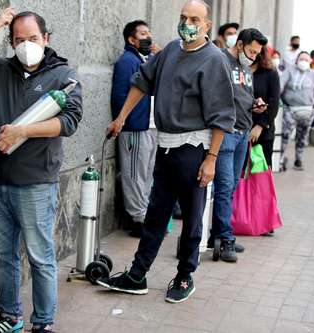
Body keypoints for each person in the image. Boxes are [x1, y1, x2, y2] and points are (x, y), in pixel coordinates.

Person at [97, 0, 235, 303]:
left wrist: (211, 159)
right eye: (184, 17)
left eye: (195, 19)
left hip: (194, 149)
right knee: (156, 213)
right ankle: (137, 274)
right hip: (166, 146)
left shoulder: (215, 60)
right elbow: (141, 82)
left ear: (207, 25)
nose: (188, 23)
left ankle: (185, 275)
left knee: (192, 218)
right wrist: (120, 118)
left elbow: (223, 115)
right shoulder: (171, 50)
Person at [0, 9, 83, 333]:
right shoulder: (1, 69)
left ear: (46, 39)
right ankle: (9, 317)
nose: (26, 45)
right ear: (11, 43)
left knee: (40, 259)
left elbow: (70, 121)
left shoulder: (63, 76)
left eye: (32, 38)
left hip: (35, 184)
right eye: (18, 40)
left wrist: (24, 131)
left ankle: (43, 324)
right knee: (3, 257)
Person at [208, 28, 268, 262]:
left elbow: (243, 96)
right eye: (251, 51)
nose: (253, 56)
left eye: (257, 54)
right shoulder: (220, 59)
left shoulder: (246, 67)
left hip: (243, 131)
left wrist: (256, 104)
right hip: (225, 132)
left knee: (231, 186)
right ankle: (225, 238)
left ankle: (220, 233)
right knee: (223, 186)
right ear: (241, 44)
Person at [111, 20, 161, 237]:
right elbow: (120, 95)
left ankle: (145, 214)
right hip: (135, 127)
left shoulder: (148, 59)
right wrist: (123, 121)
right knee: (133, 173)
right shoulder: (127, 61)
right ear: (132, 40)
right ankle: (137, 218)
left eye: (149, 32)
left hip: (151, 126)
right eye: (142, 33)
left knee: (147, 173)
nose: (147, 37)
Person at [280, 51, 314, 171]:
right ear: (297, 60)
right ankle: (280, 158)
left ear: (310, 61)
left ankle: (298, 159)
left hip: (307, 110)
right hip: (290, 108)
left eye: (306, 59)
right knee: (285, 135)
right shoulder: (289, 70)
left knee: (302, 136)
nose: (304, 62)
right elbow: (280, 84)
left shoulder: (313, 74)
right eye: (301, 59)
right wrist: (278, 97)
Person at [250, 45, 281, 167]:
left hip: (262, 131)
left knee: (260, 172)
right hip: (240, 130)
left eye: (254, 50)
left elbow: (274, 103)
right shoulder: (239, 70)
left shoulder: (270, 73)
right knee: (240, 176)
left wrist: (260, 126)